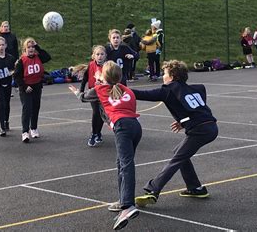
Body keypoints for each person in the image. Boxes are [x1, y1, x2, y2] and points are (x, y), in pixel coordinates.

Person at [132, 60, 218, 207]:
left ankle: (153, 190)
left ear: (172, 76)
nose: (163, 76)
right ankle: (195, 188)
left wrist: (118, 87)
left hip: (199, 130)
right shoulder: (194, 88)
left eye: (164, 73)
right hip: (210, 126)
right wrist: (184, 120)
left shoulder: (168, 90)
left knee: (177, 159)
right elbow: (196, 103)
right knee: (179, 153)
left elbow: (142, 94)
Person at [69, 61, 142, 230]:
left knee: (126, 165)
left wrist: (77, 92)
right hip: (135, 126)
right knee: (122, 164)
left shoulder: (99, 89)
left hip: (122, 126)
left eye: (100, 73)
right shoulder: (127, 90)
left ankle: (128, 206)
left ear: (104, 77)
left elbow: (83, 97)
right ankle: (123, 200)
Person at [13, 38, 51, 143]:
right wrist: (25, 86)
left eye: (32, 47)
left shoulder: (38, 57)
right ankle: (25, 132)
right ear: (25, 49)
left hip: (37, 87)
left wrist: (37, 46)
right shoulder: (21, 61)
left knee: (35, 108)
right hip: (26, 89)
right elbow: (16, 76)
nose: (31, 49)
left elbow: (48, 57)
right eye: (29, 47)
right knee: (27, 109)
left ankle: (33, 128)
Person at [76, 45, 107, 147]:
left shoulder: (107, 66)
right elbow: (85, 79)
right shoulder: (91, 65)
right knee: (96, 112)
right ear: (93, 56)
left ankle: (98, 132)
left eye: (102, 54)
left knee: (102, 114)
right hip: (93, 93)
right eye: (97, 54)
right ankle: (94, 133)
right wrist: (81, 90)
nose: (100, 56)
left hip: (104, 93)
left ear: (105, 55)